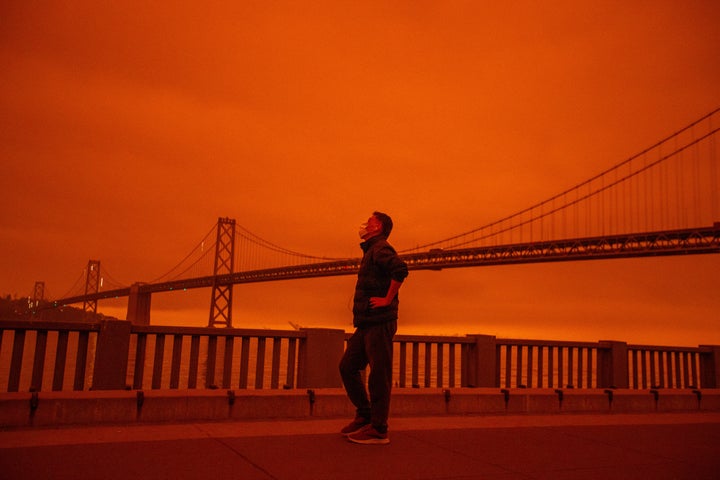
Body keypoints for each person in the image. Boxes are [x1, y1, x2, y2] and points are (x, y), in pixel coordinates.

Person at [339, 211, 409, 445]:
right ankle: (365, 415)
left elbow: (400, 270)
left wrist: (387, 299)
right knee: (348, 366)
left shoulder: (380, 248)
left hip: (380, 321)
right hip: (367, 322)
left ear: (378, 227)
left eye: (369, 221)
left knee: (379, 376)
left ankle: (379, 429)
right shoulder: (371, 250)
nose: (364, 224)